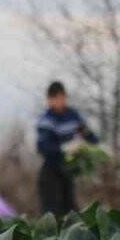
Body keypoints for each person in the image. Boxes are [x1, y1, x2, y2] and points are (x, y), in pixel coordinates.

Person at [35, 81, 99, 216]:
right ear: (50, 100)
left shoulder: (73, 115)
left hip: (67, 171)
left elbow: (89, 135)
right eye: (55, 99)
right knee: (52, 213)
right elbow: (42, 147)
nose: (60, 102)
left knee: (71, 212)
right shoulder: (46, 120)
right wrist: (64, 149)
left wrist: (93, 146)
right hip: (51, 172)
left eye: (62, 98)